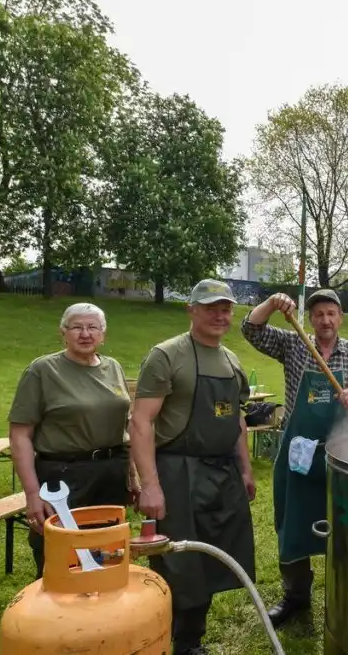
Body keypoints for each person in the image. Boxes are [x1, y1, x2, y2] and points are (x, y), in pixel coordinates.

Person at [241, 288, 348, 627]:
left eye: (331, 313)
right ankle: (296, 597)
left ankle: (346, 594)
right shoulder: (294, 344)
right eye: (318, 314)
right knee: (293, 525)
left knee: (346, 525)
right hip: (299, 454)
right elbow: (251, 329)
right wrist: (273, 304)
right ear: (310, 320)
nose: (325, 320)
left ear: (340, 318)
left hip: (345, 456)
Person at [130, 279, 257, 655]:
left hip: (222, 475)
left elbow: (236, 420)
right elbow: (140, 421)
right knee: (178, 564)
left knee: (214, 559)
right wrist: (150, 485)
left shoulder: (231, 360)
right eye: (211, 307)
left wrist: (246, 470)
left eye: (226, 308)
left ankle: (189, 641)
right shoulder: (167, 355)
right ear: (191, 309)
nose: (220, 315)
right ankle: (159, 640)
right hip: (178, 473)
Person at [7, 303, 132, 578]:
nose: (85, 333)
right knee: (61, 554)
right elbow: (20, 435)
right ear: (63, 332)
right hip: (64, 477)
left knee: (107, 550)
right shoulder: (43, 371)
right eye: (76, 327)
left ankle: (104, 610)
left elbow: (127, 424)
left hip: (111, 472)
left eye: (92, 327)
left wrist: (132, 475)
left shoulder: (113, 367)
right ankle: (57, 615)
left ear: (103, 334)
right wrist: (31, 493)